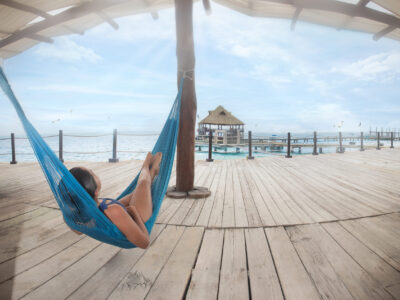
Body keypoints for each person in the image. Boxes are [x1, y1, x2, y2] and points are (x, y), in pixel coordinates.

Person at [67, 152, 162, 249]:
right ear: (95, 191)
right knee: (143, 182)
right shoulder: (113, 211)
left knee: (139, 191)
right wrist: (133, 212)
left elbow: (78, 232)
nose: (93, 171)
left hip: (117, 212)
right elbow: (144, 243)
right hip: (138, 221)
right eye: (92, 174)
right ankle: (145, 167)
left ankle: (151, 173)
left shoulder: (75, 212)